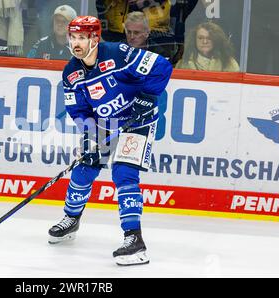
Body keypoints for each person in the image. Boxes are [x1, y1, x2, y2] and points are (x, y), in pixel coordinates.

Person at [48, 16, 172, 266]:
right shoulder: (71, 72)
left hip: (139, 121)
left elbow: (162, 67)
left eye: (82, 37)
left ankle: (134, 240)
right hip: (105, 124)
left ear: (94, 38)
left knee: (124, 173)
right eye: (72, 37)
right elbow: (78, 110)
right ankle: (71, 219)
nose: (76, 43)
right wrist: (90, 133)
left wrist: (147, 97)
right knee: (84, 169)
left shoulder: (119, 53)